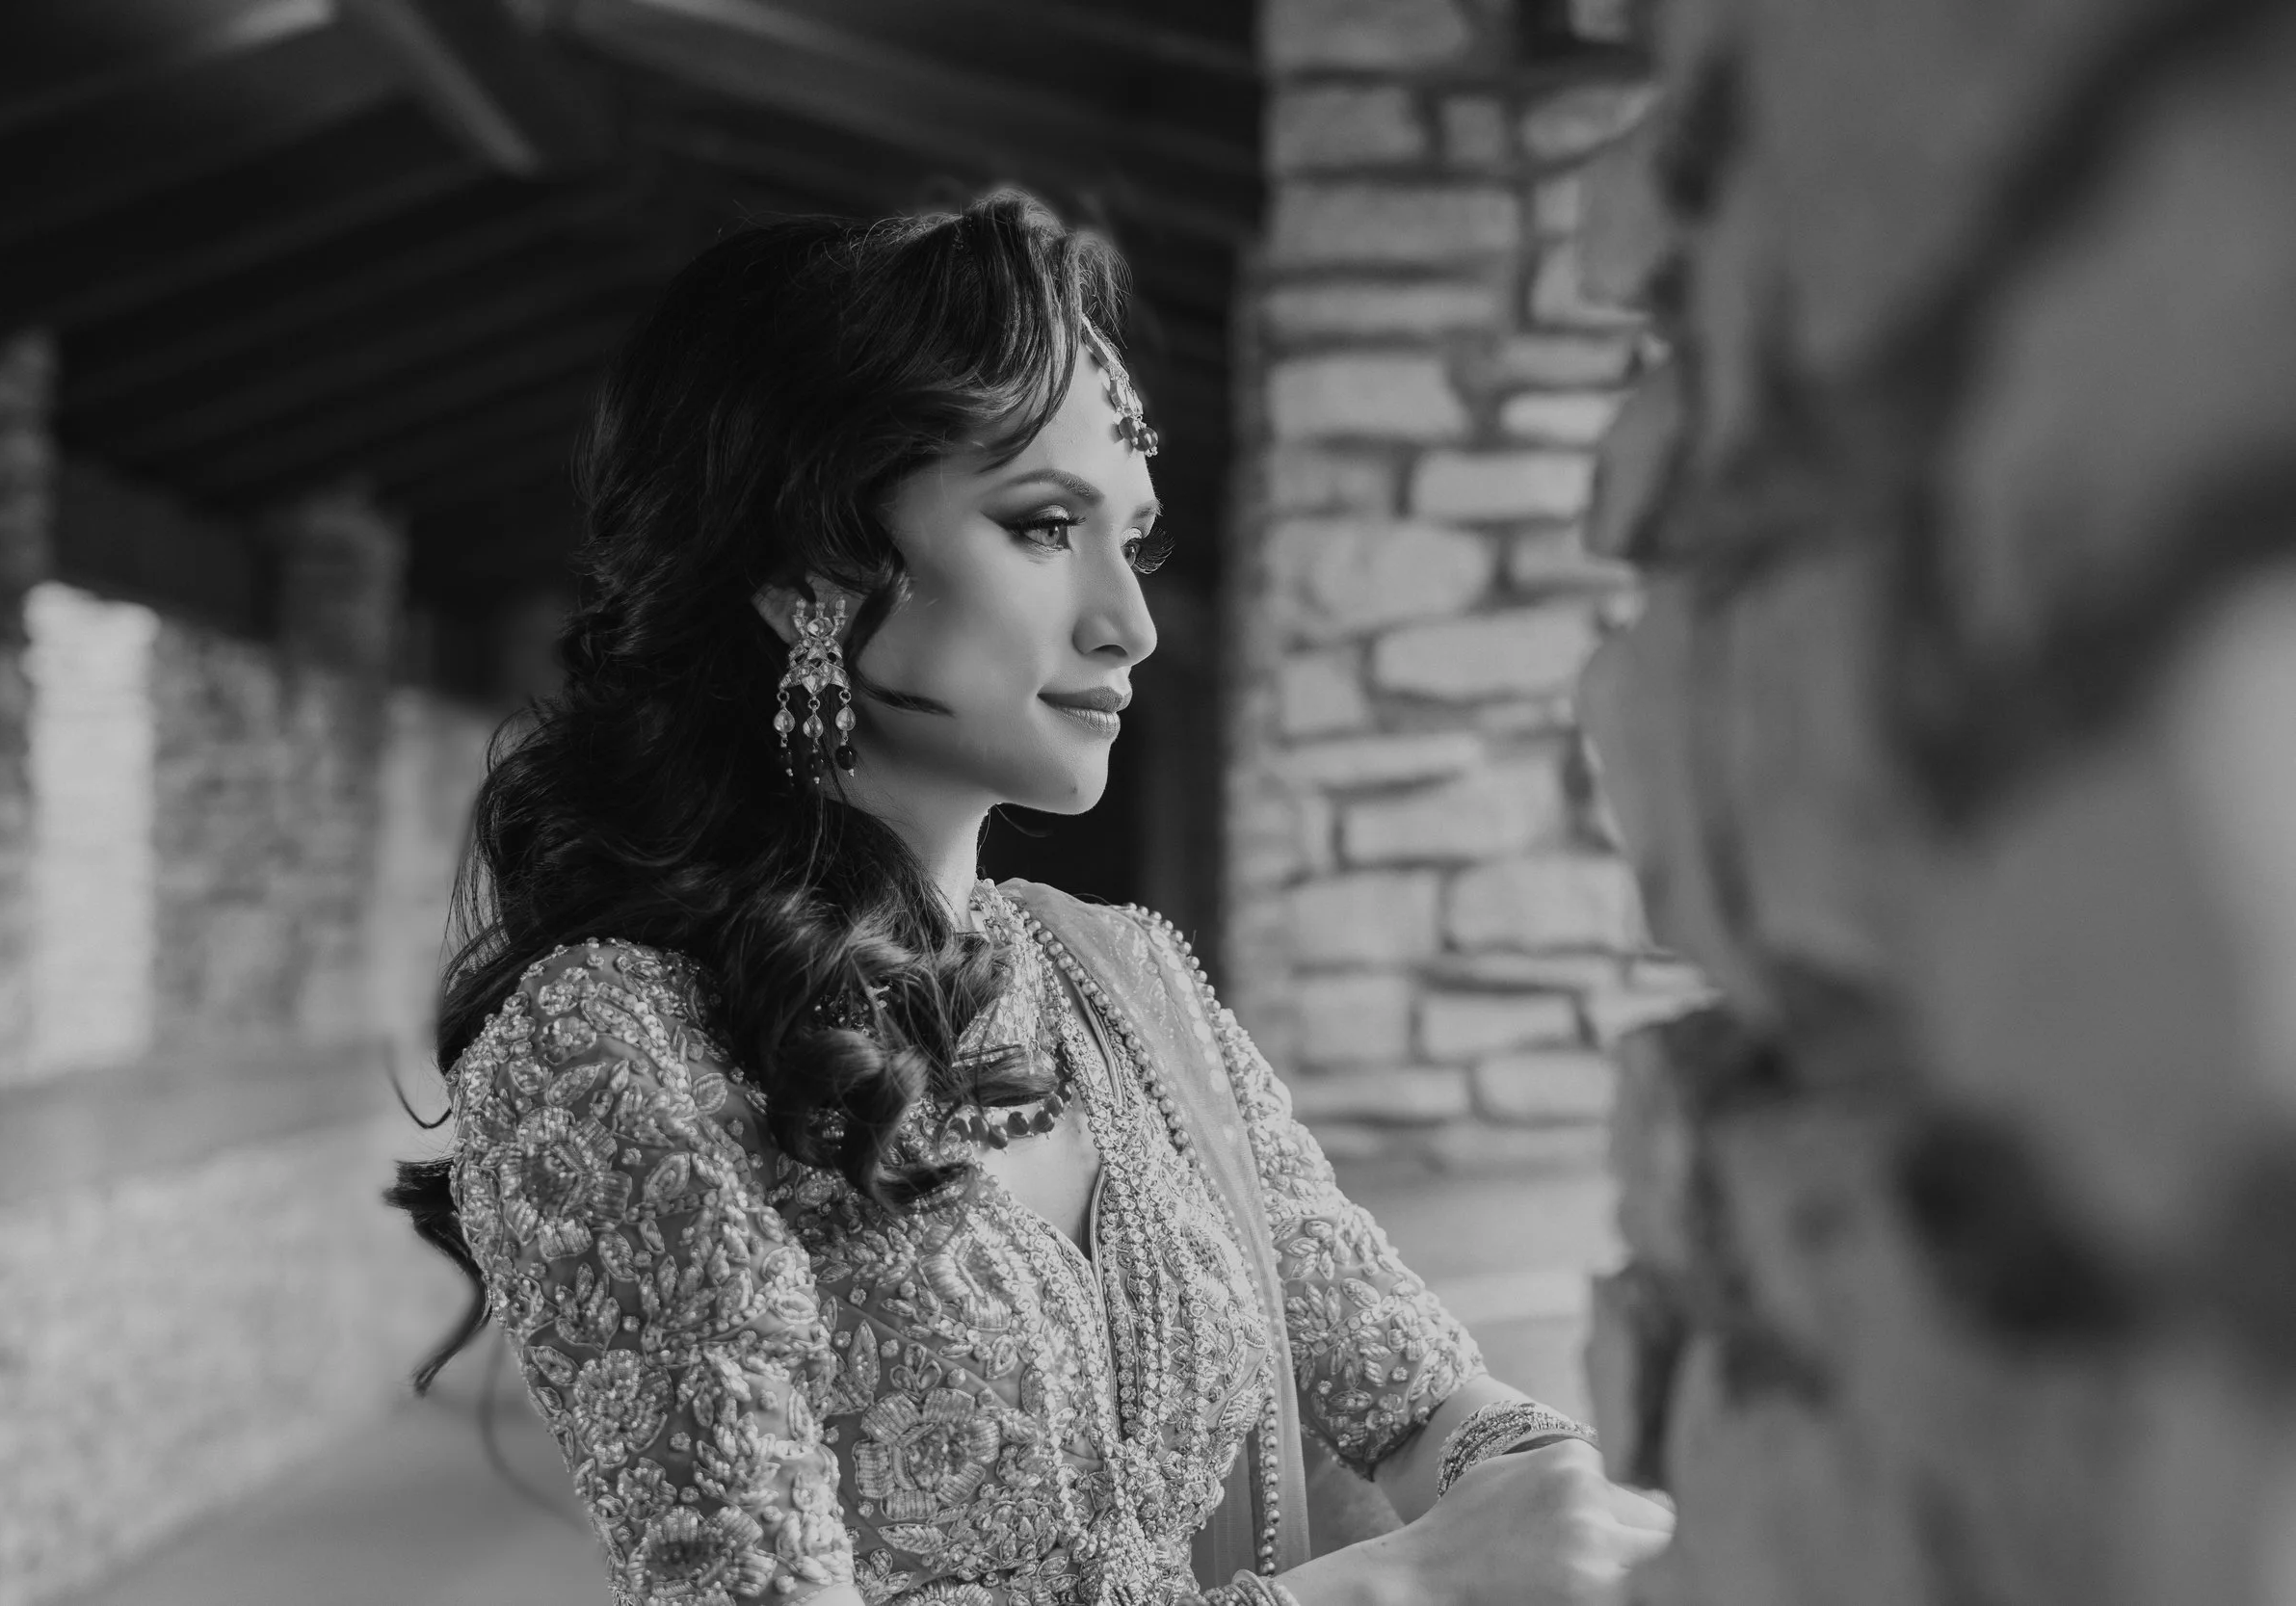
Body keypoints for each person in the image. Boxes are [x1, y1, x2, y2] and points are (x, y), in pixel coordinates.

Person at [389, 190, 1672, 1606]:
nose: (1130, 621)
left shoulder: (1124, 988)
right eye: (1045, 525)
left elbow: (1415, 1391)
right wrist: (1397, 1587)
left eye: (1137, 538)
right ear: (805, 575)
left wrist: (1540, 1476)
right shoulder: (610, 1047)